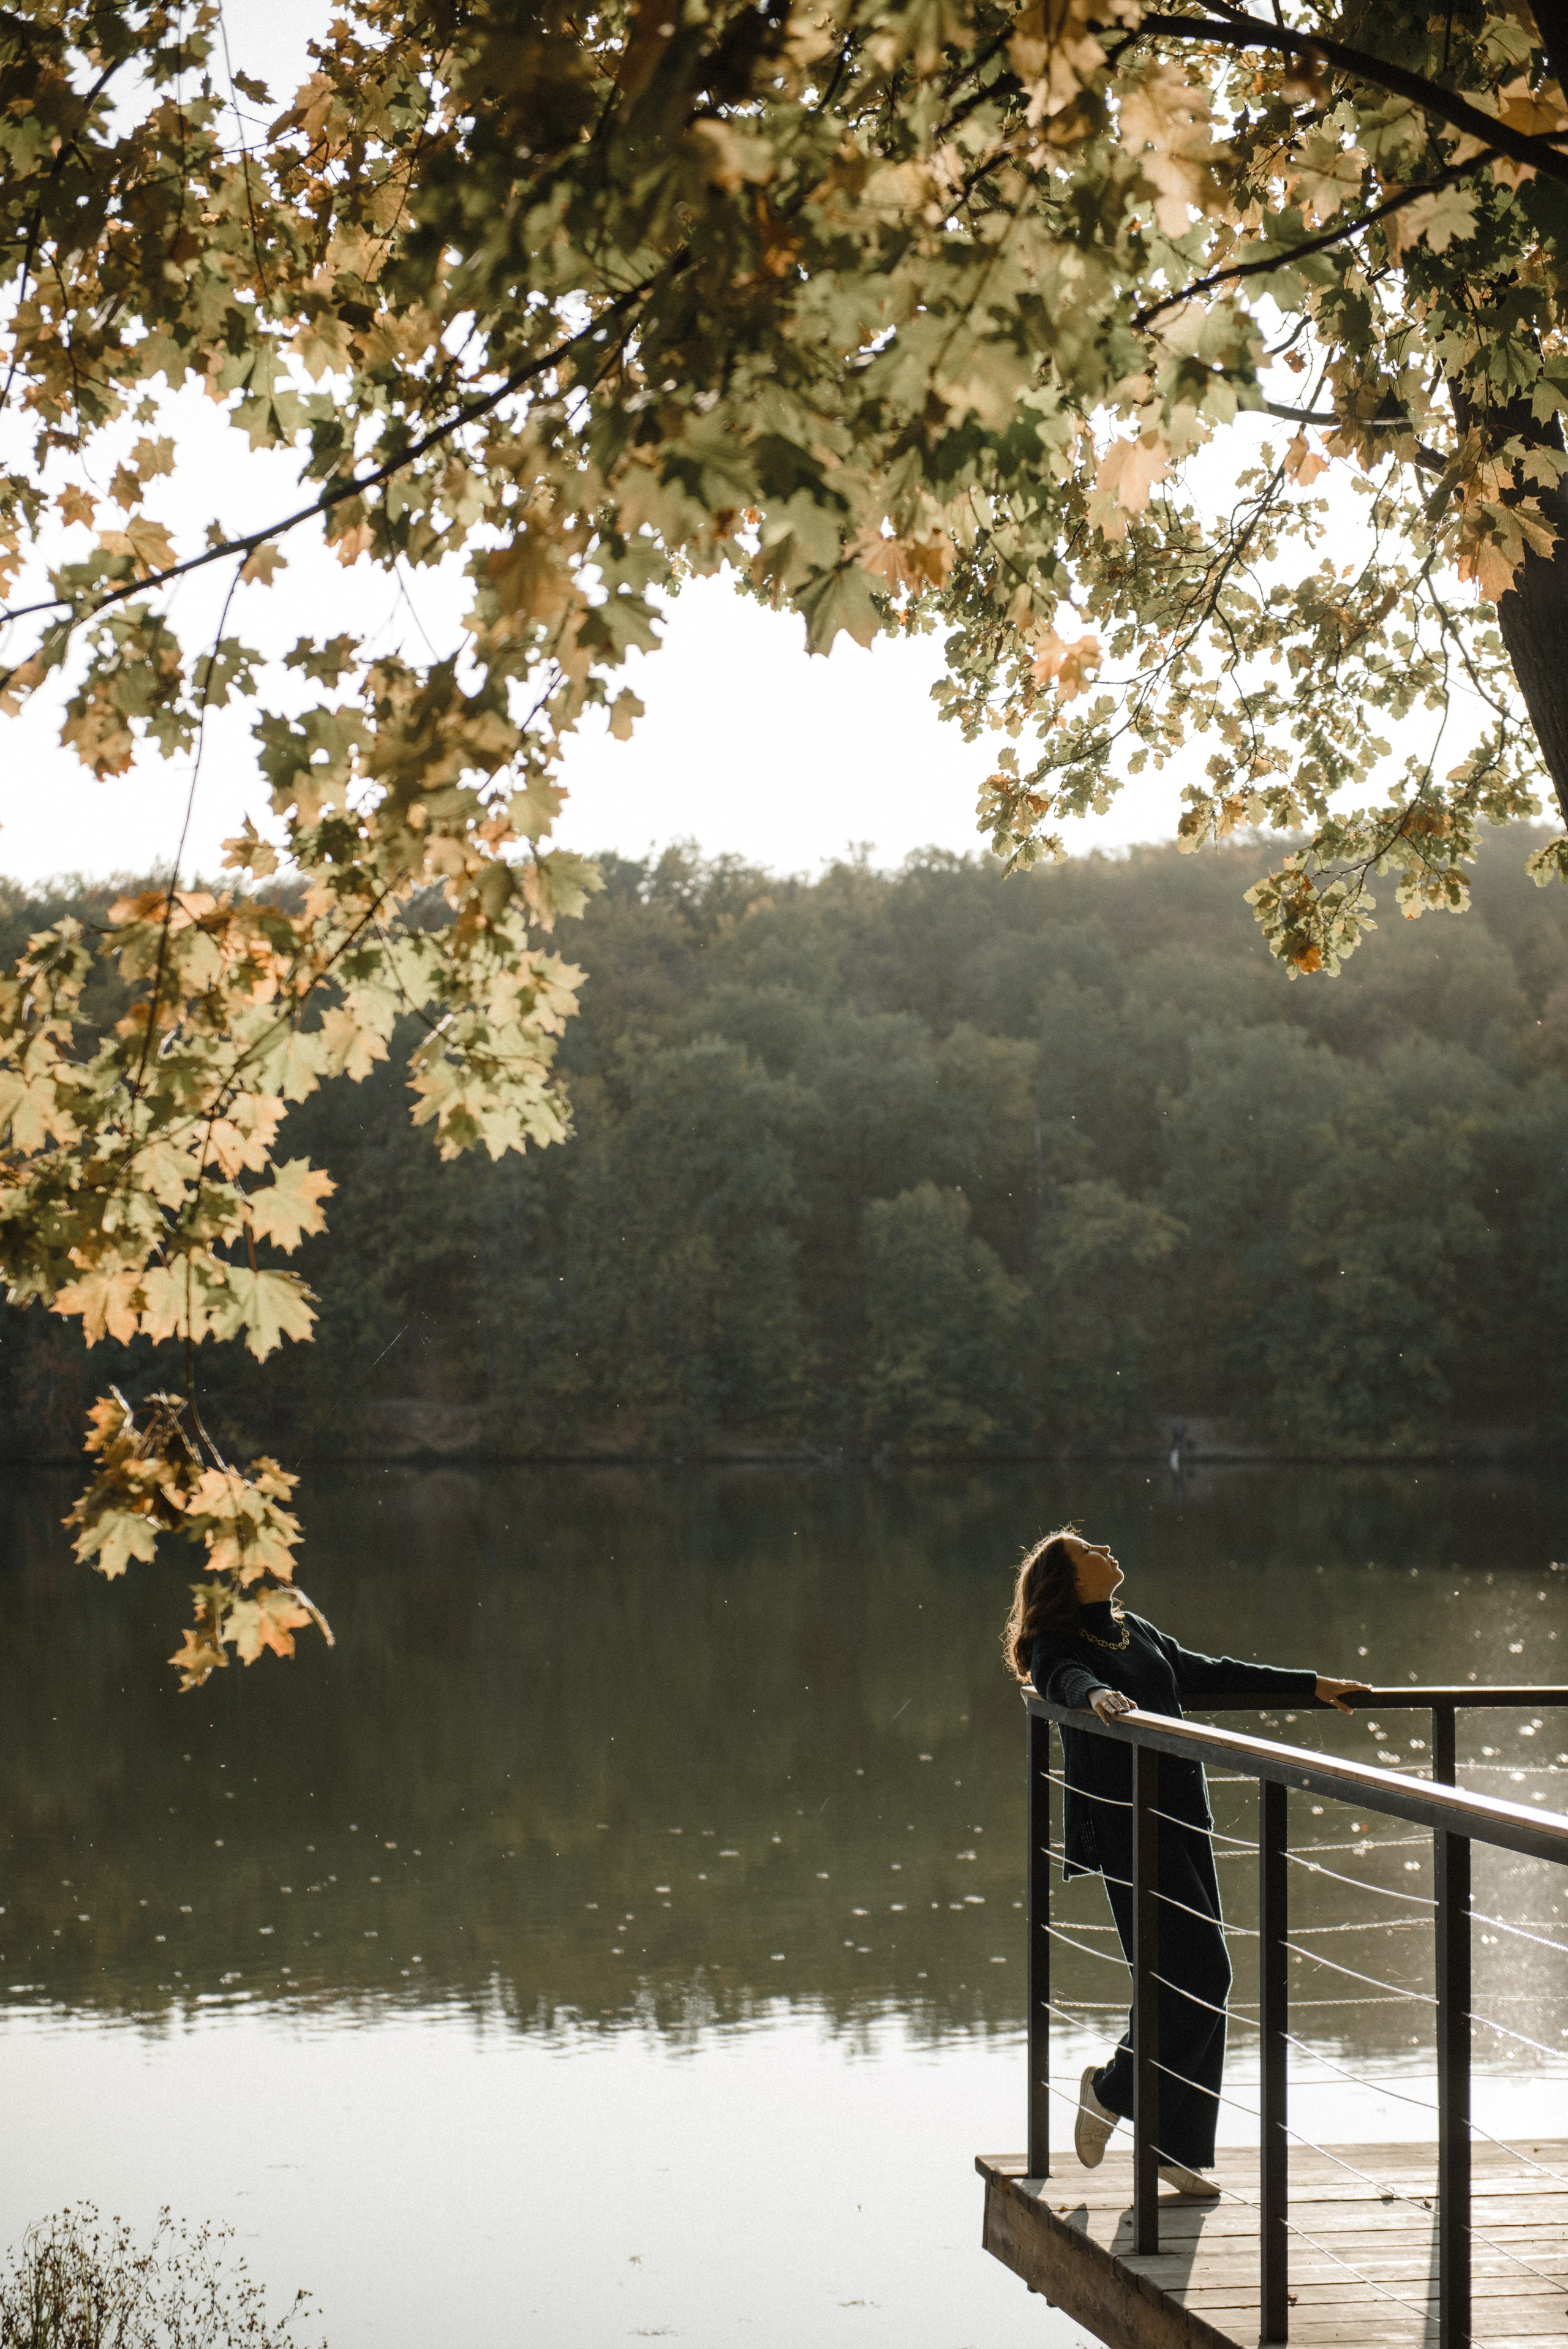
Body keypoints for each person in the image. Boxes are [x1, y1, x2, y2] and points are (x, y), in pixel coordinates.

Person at [1001, 1526, 1368, 2197]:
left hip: (1181, 1813)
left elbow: (1210, 1673)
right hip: (1125, 1824)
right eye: (1091, 1552)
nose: (1108, 1550)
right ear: (1070, 1579)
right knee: (1203, 1970)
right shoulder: (1061, 1641)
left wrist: (1313, 1685)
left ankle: (1171, 2145)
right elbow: (1060, 1676)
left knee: (1184, 1977)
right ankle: (1113, 2090)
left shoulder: (1132, 1628)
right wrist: (1092, 1697)